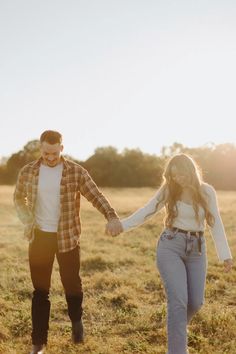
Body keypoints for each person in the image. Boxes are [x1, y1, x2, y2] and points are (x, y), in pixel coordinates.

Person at [109, 153, 233, 354]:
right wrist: (122, 226)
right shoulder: (169, 189)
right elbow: (147, 210)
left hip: (197, 250)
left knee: (195, 302)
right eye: (173, 176)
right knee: (178, 302)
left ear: (190, 171)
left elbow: (215, 223)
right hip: (170, 246)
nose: (177, 179)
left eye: (180, 174)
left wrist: (225, 255)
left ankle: (176, 327)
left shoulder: (207, 191)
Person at [14, 130, 122, 354]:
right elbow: (18, 198)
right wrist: (27, 220)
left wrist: (111, 216)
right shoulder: (29, 171)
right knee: (40, 291)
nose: (50, 158)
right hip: (40, 237)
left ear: (61, 148)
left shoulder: (75, 171)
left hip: (67, 238)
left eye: (54, 153)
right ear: (40, 149)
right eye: (46, 153)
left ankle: (76, 321)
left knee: (72, 284)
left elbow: (95, 195)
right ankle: (38, 343)